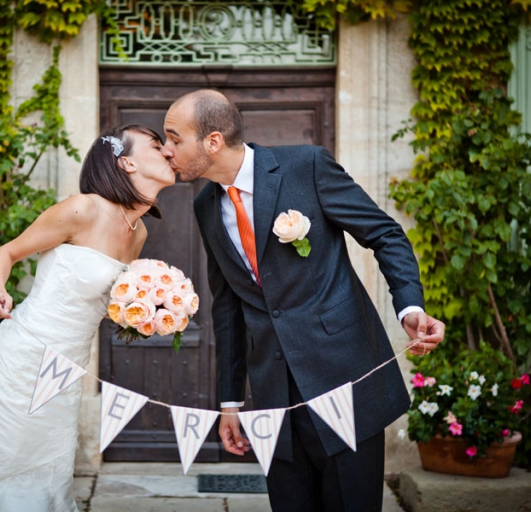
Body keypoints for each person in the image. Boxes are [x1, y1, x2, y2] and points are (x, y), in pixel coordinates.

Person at [161, 90, 446, 511]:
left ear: (213, 141)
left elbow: (385, 234)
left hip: (345, 379)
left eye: (174, 138)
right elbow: (228, 307)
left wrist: (410, 308)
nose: (166, 150)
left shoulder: (307, 166)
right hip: (275, 399)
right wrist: (230, 402)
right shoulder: (206, 205)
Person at [0, 125, 175, 512]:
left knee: (49, 480)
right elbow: (5, 253)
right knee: (5, 478)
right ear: (127, 162)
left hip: (65, 373)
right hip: (22, 360)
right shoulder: (82, 208)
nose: (169, 153)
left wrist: (154, 311)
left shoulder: (139, 234)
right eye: (157, 145)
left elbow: (113, 303)